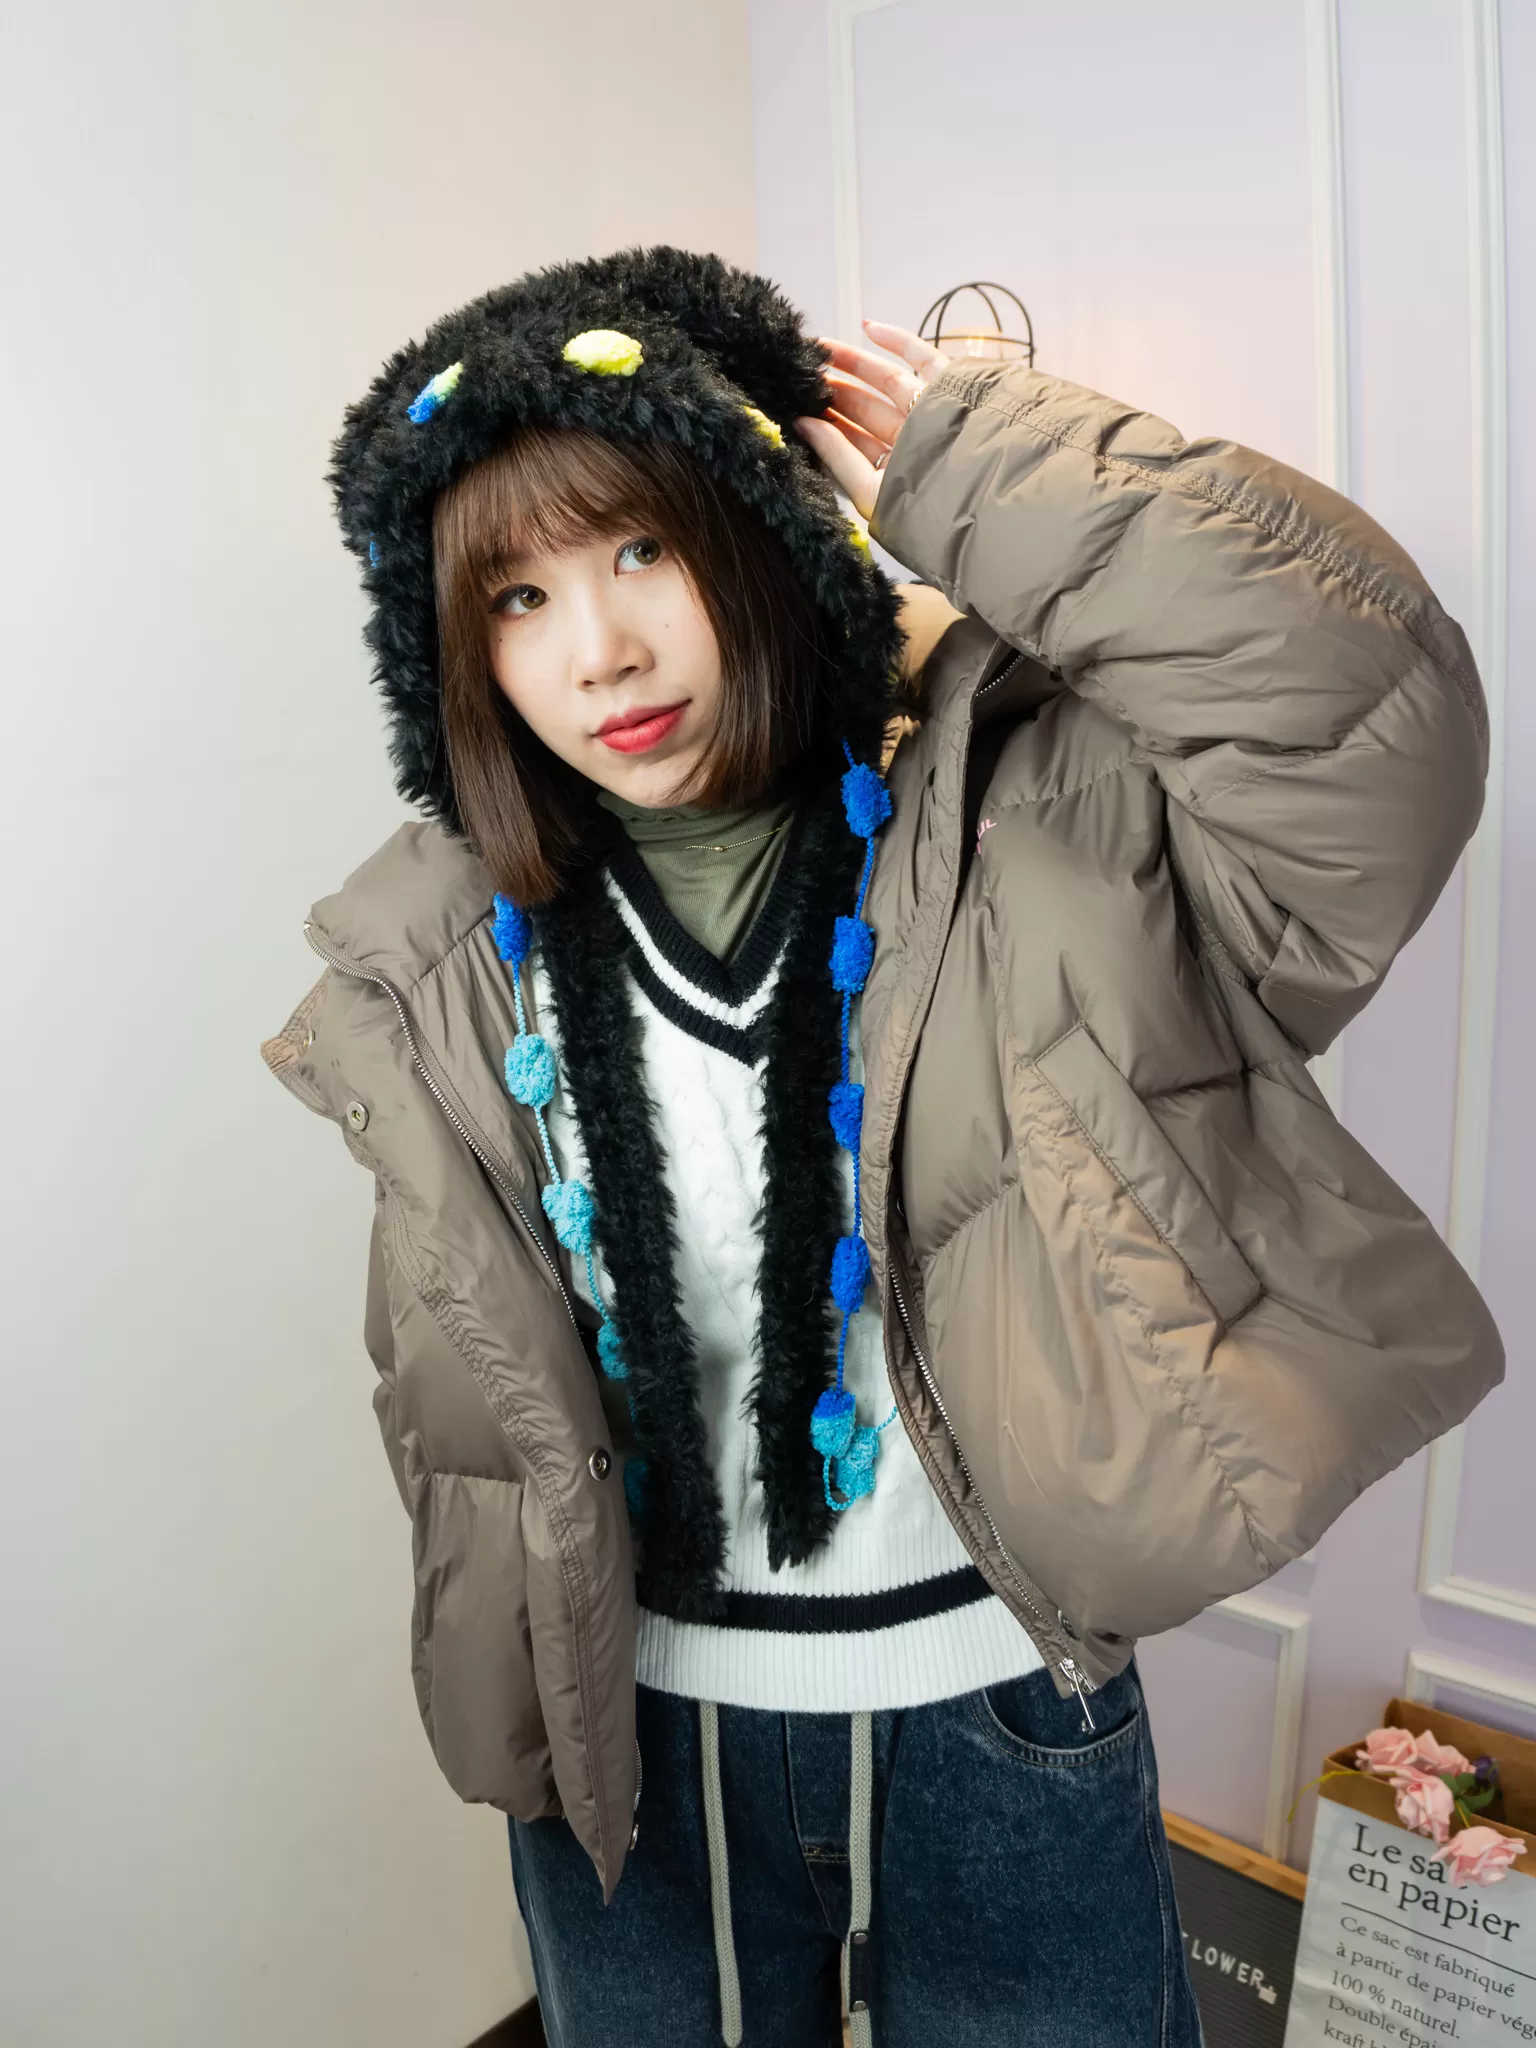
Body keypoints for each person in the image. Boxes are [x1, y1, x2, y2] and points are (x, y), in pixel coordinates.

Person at [262, 246, 1502, 2046]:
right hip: (640, 1741)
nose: (599, 653)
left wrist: (983, 465)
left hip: (998, 1704)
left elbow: (1372, 726)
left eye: (644, 549)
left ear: (766, 527)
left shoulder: (1038, 810)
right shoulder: (441, 962)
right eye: (517, 598)